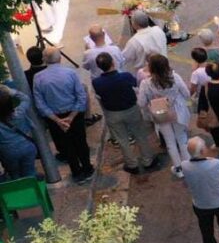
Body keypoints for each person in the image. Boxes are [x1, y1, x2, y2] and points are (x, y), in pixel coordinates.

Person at [33, 48, 94, 184]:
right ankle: (87, 167)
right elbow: (81, 95)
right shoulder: (70, 73)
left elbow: (40, 102)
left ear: (44, 59)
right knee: (81, 142)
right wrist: (71, 117)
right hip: (74, 114)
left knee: (67, 146)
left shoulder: (38, 77)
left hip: (55, 118)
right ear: (60, 58)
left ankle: (76, 171)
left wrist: (57, 120)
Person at [92, 52, 157, 175]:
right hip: (131, 109)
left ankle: (131, 164)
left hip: (112, 113)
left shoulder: (97, 82)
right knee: (140, 135)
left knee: (122, 140)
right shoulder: (125, 76)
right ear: (113, 62)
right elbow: (135, 84)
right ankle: (147, 160)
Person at [137, 54, 191, 179]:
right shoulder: (175, 77)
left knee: (170, 142)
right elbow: (187, 94)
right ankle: (188, 166)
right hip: (178, 111)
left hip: (160, 113)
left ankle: (178, 169)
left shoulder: (146, 83)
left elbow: (141, 103)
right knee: (182, 139)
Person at [0, 87, 38, 180]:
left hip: (8, 152)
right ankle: (32, 191)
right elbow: (25, 98)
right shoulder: (19, 113)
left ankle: (19, 192)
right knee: (30, 173)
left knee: (15, 176)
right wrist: (9, 90)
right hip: (27, 147)